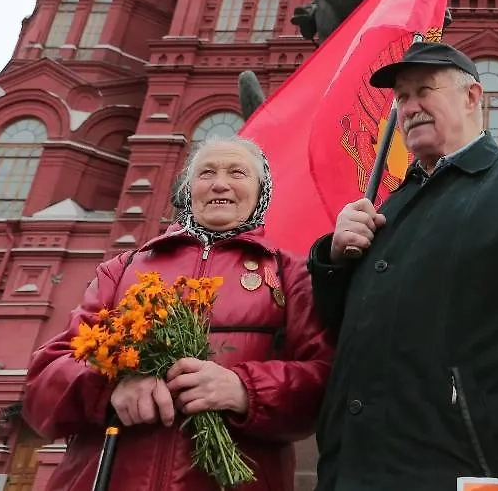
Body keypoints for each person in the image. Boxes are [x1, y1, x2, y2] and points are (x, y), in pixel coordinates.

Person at [307, 40, 498, 491]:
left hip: (464, 469)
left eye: (424, 90)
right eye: (401, 98)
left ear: (472, 97)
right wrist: (333, 259)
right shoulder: (391, 204)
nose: (409, 107)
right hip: (355, 468)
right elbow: (345, 329)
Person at [22, 136, 335, 491]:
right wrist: (108, 387)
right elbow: (42, 386)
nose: (220, 183)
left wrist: (246, 389)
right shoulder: (122, 269)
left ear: (261, 192)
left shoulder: (289, 273)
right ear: (189, 190)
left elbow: (325, 380)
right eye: (206, 173)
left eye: (237, 172)